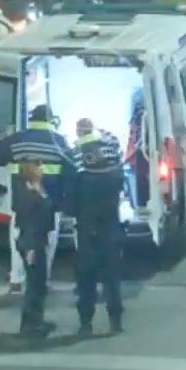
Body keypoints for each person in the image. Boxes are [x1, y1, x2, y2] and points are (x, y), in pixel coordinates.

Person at [0, 104, 75, 294]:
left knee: (19, 239)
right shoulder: (60, 142)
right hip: (49, 204)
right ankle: (41, 281)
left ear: (32, 119)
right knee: (48, 243)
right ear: (51, 120)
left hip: (22, 202)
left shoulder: (17, 139)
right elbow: (71, 171)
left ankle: (16, 280)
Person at [69, 118, 126, 335]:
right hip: (111, 223)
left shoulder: (76, 154)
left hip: (88, 227)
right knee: (112, 276)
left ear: (78, 133)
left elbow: (72, 193)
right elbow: (120, 177)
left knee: (87, 278)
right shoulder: (111, 149)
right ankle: (116, 321)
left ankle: (86, 323)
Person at [12, 160, 57, 337]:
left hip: (39, 240)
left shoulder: (39, 187)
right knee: (34, 284)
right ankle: (29, 325)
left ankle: (37, 320)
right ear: (30, 169)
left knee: (39, 283)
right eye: (38, 165)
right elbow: (27, 217)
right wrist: (30, 248)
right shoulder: (25, 190)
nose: (42, 168)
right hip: (31, 242)